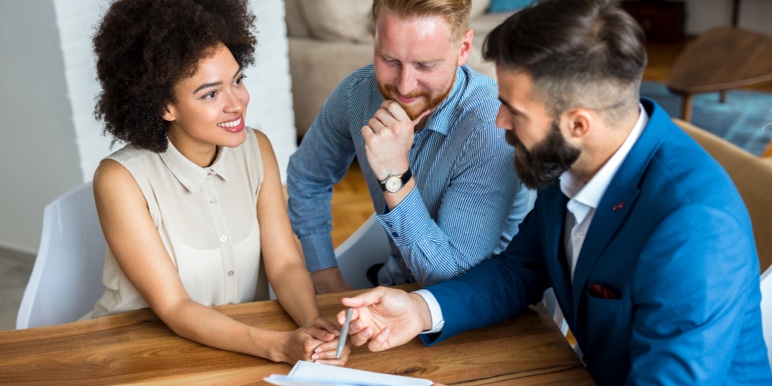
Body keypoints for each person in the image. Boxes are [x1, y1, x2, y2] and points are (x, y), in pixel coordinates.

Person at [337, 0, 772, 384]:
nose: (499, 121)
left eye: (515, 110)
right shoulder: (569, 157)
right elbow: (519, 270)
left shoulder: (695, 229)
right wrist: (420, 310)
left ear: (578, 124)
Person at [88, 0, 347, 366]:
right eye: (210, 93)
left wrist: (313, 326)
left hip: (240, 347)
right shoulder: (121, 179)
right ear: (164, 107)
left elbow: (285, 263)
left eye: (237, 80)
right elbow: (175, 306)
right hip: (137, 354)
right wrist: (279, 346)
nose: (237, 103)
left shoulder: (257, 149)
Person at [286, 0, 534, 293]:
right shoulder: (358, 92)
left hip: (483, 311)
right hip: (394, 286)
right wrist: (323, 275)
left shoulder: (489, 127)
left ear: (463, 49)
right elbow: (307, 178)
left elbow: (452, 279)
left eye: (425, 65)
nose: (404, 86)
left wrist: (394, 174)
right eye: (389, 59)